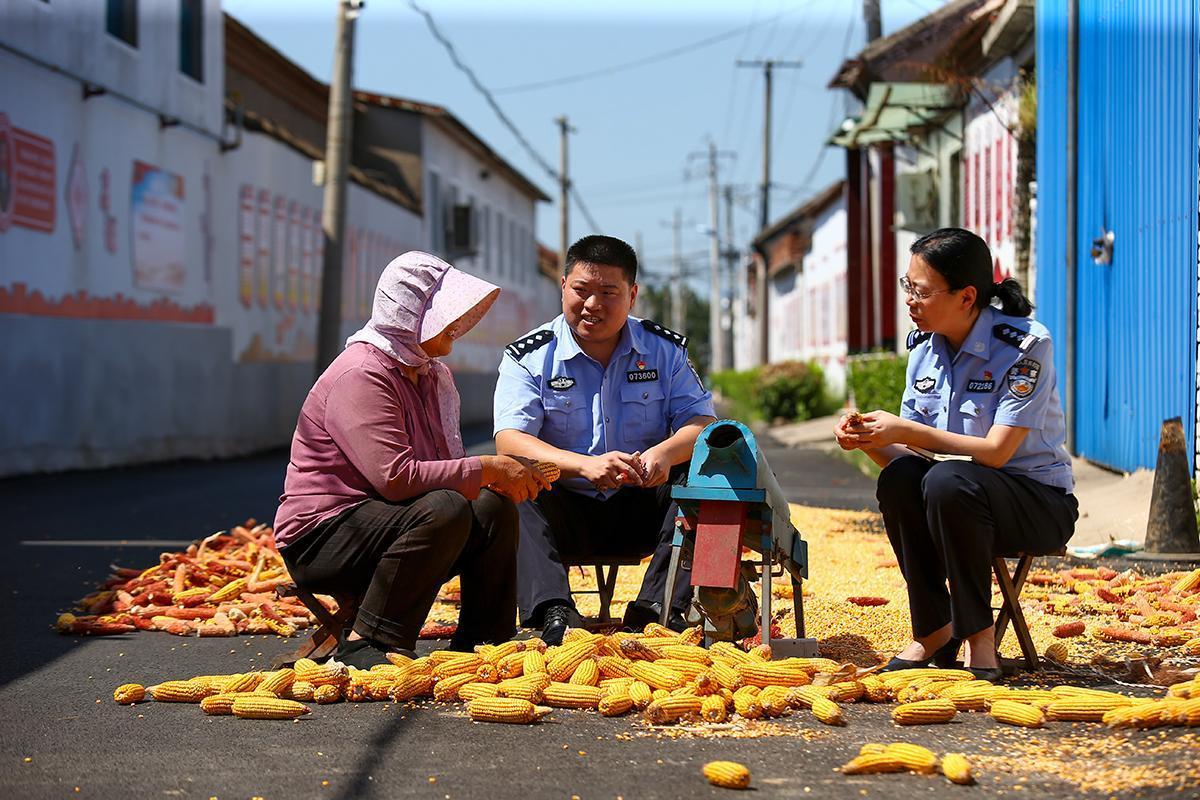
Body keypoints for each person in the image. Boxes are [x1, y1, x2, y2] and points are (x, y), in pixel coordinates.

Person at [273, 251, 550, 668]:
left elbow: (444, 468)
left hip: (386, 520)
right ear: (408, 316)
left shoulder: (429, 374)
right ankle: (371, 641)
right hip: (323, 537)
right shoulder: (362, 373)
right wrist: (489, 467)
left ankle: (484, 641)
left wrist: (491, 479)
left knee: (492, 506)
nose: (457, 324)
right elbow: (396, 478)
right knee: (445, 506)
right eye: (446, 314)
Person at [834, 228, 1077, 681]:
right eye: (908, 287)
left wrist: (908, 429)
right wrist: (867, 440)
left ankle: (980, 638)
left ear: (966, 297)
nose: (910, 301)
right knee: (901, 479)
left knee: (948, 482)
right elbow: (911, 457)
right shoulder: (923, 350)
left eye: (921, 292)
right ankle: (934, 629)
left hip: (1036, 503)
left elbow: (997, 453)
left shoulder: (1025, 345)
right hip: (955, 499)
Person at [493, 235, 717, 645]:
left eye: (609, 293)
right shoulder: (529, 356)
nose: (592, 304)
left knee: (705, 473)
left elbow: (702, 421)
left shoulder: (664, 350)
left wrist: (663, 454)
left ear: (632, 296)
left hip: (641, 506)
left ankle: (657, 608)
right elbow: (510, 439)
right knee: (510, 480)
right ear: (563, 287)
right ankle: (554, 612)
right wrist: (584, 465)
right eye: (581, 290)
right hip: (563, 508)